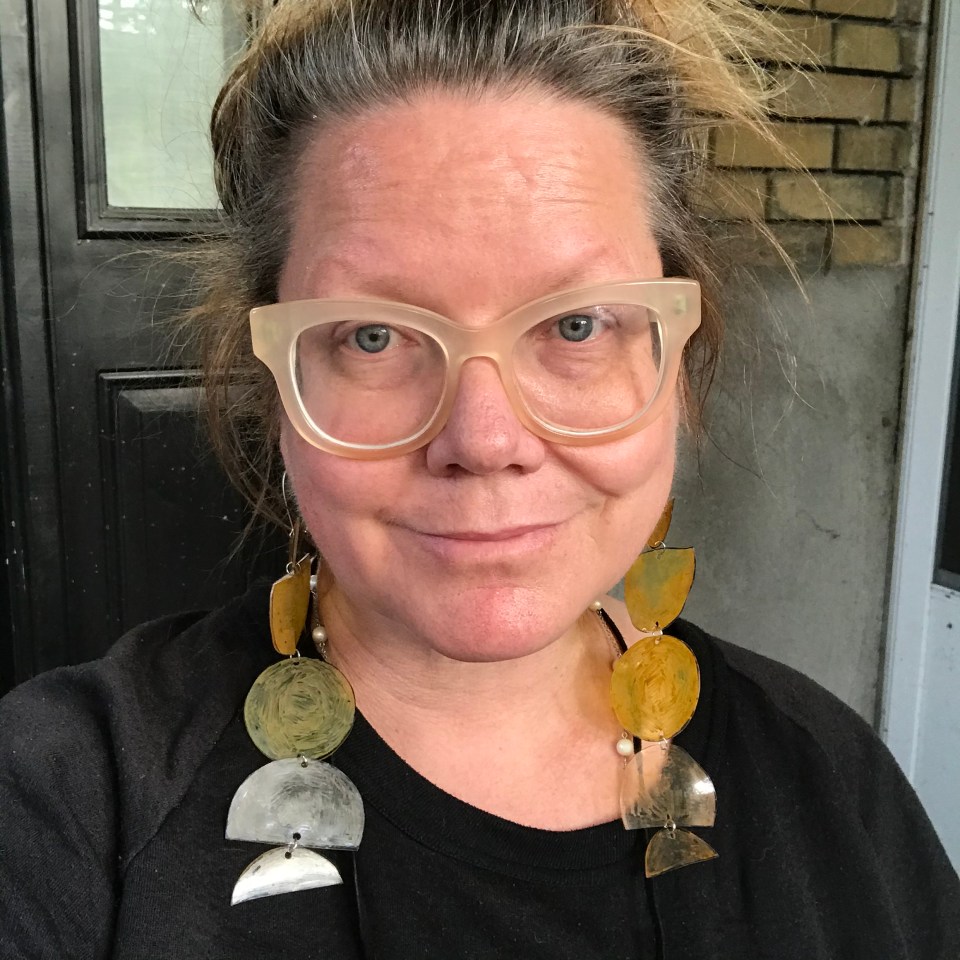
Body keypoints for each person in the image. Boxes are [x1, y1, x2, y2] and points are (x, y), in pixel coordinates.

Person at [1, 1, 958, 957]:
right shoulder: (69, 800)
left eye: (577, 324)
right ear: (276, 383)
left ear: (674, 362)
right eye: (373, 336)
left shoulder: (830, 776)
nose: (486, 439)